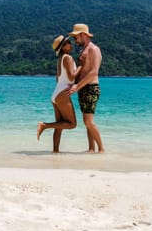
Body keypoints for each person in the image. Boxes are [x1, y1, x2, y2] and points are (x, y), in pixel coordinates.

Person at [37, 35, 81, 153]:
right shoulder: (68, 58)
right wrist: (81, 67)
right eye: (68, 42)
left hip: (56, 94)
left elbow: (58, 78)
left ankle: (55, 152)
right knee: (72, 124)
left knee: (59, 125)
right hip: (62, 94)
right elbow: (72, 76)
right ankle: (44, 125)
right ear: (62, 47)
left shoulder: (60, 59)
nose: (70, 44)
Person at [68, 23, 105, 153]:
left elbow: (93, 72)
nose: (74, 40)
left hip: (91, 87)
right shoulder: (83, 50)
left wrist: (77, 86)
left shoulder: (94, 49)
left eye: (75, 37)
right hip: (83, 88)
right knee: (86, 121)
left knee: (89, 121)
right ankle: (91, 149)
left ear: (83, 35)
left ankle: (101, 149)